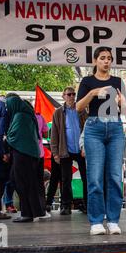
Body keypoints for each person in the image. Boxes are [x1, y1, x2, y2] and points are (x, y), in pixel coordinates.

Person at [76, 46, 126, 235]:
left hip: (115, 127)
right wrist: (92, 94)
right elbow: (78, 107)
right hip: (94, 128)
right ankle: (96, 221)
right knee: (95, 177)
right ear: (95, 61)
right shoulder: (88, 81)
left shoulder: (117, 81)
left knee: (115, 176)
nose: (106, 61)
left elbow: (125, 111)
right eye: (103, 58)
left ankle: (113, 220)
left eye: (109, 58)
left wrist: (122, 104)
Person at [49, 86, 88, 215]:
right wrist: (55, 153)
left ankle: (88, 204)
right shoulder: (58, 113)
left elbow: (88, 129)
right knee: (65, 179)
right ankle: (66, 206)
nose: (71, 96)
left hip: (81, 149)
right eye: (69, 94)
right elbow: (54, 134)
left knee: (86, 178)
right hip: (65, 150)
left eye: (73, 94)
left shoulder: (81, 110)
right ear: (63, 96)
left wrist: (86, 147)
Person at [6, 94, 45, 223]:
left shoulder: (20, 116)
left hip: (23, 155)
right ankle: (30, 212)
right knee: (25, 183)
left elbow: (15, 135)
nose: (8, 108)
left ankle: (27, 213)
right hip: (29, 155)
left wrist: (6, 139)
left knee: (22, 183)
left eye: (8, 105)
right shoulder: (27, 114)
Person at [35, 110, 49, 216]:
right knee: (39, 183)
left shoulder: (19, 116)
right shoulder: (40, 117)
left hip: (27, 154)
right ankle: (41, 209)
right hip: (39, 153)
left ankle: (29, 209)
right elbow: (45, 133)